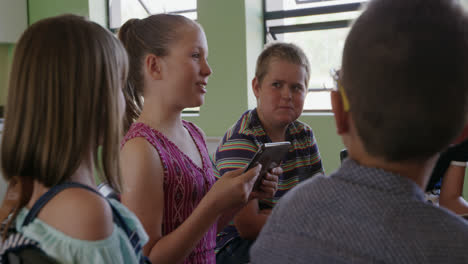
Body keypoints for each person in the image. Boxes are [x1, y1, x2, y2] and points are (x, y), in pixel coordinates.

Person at [251, 0, 468, 263]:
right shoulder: (455, 246)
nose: (287, 95)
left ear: (339, 113)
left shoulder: (289, 214)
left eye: (297, 87)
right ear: (462, 131)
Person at [118, 14, 280, 264]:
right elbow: (147, 258)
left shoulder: (196, 135)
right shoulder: (141, 149)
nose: (208, 69)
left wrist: (243, 197)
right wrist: (213, 204)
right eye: (195, 56)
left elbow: (204, 232)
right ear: (154, 66)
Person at [0, 14, 148, 263]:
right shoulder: (84, 211)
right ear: (94, 101)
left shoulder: (26, 192)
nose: (125, 100)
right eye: (119, 86)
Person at [212, 42, 323, 263]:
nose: (287, 95)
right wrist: (303, 221)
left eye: (296, 87)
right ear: (256, 87)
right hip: (234, 245)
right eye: (277, 84)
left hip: (285, 233)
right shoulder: (242, 139)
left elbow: (317, 204)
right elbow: (249, 226)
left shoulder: (304, 135)